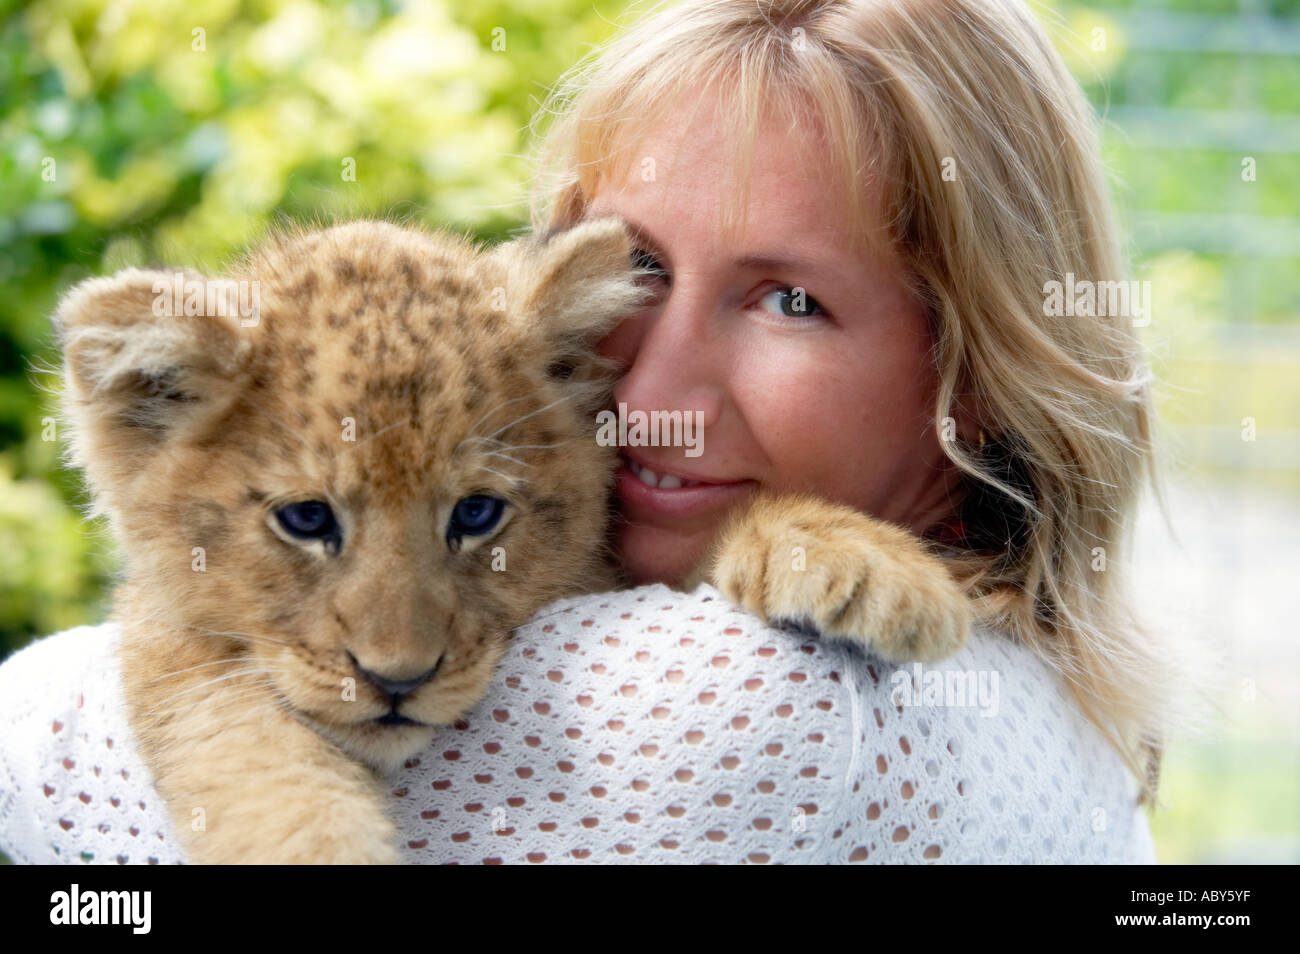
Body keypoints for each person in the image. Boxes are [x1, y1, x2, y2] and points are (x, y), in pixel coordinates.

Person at [0, 0, 1185, 863]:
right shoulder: (1062, 705)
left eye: (790, 301)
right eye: (643, 274)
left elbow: (40, 752)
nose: (646, 387)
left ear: (978, 369)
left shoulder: (748, 709)